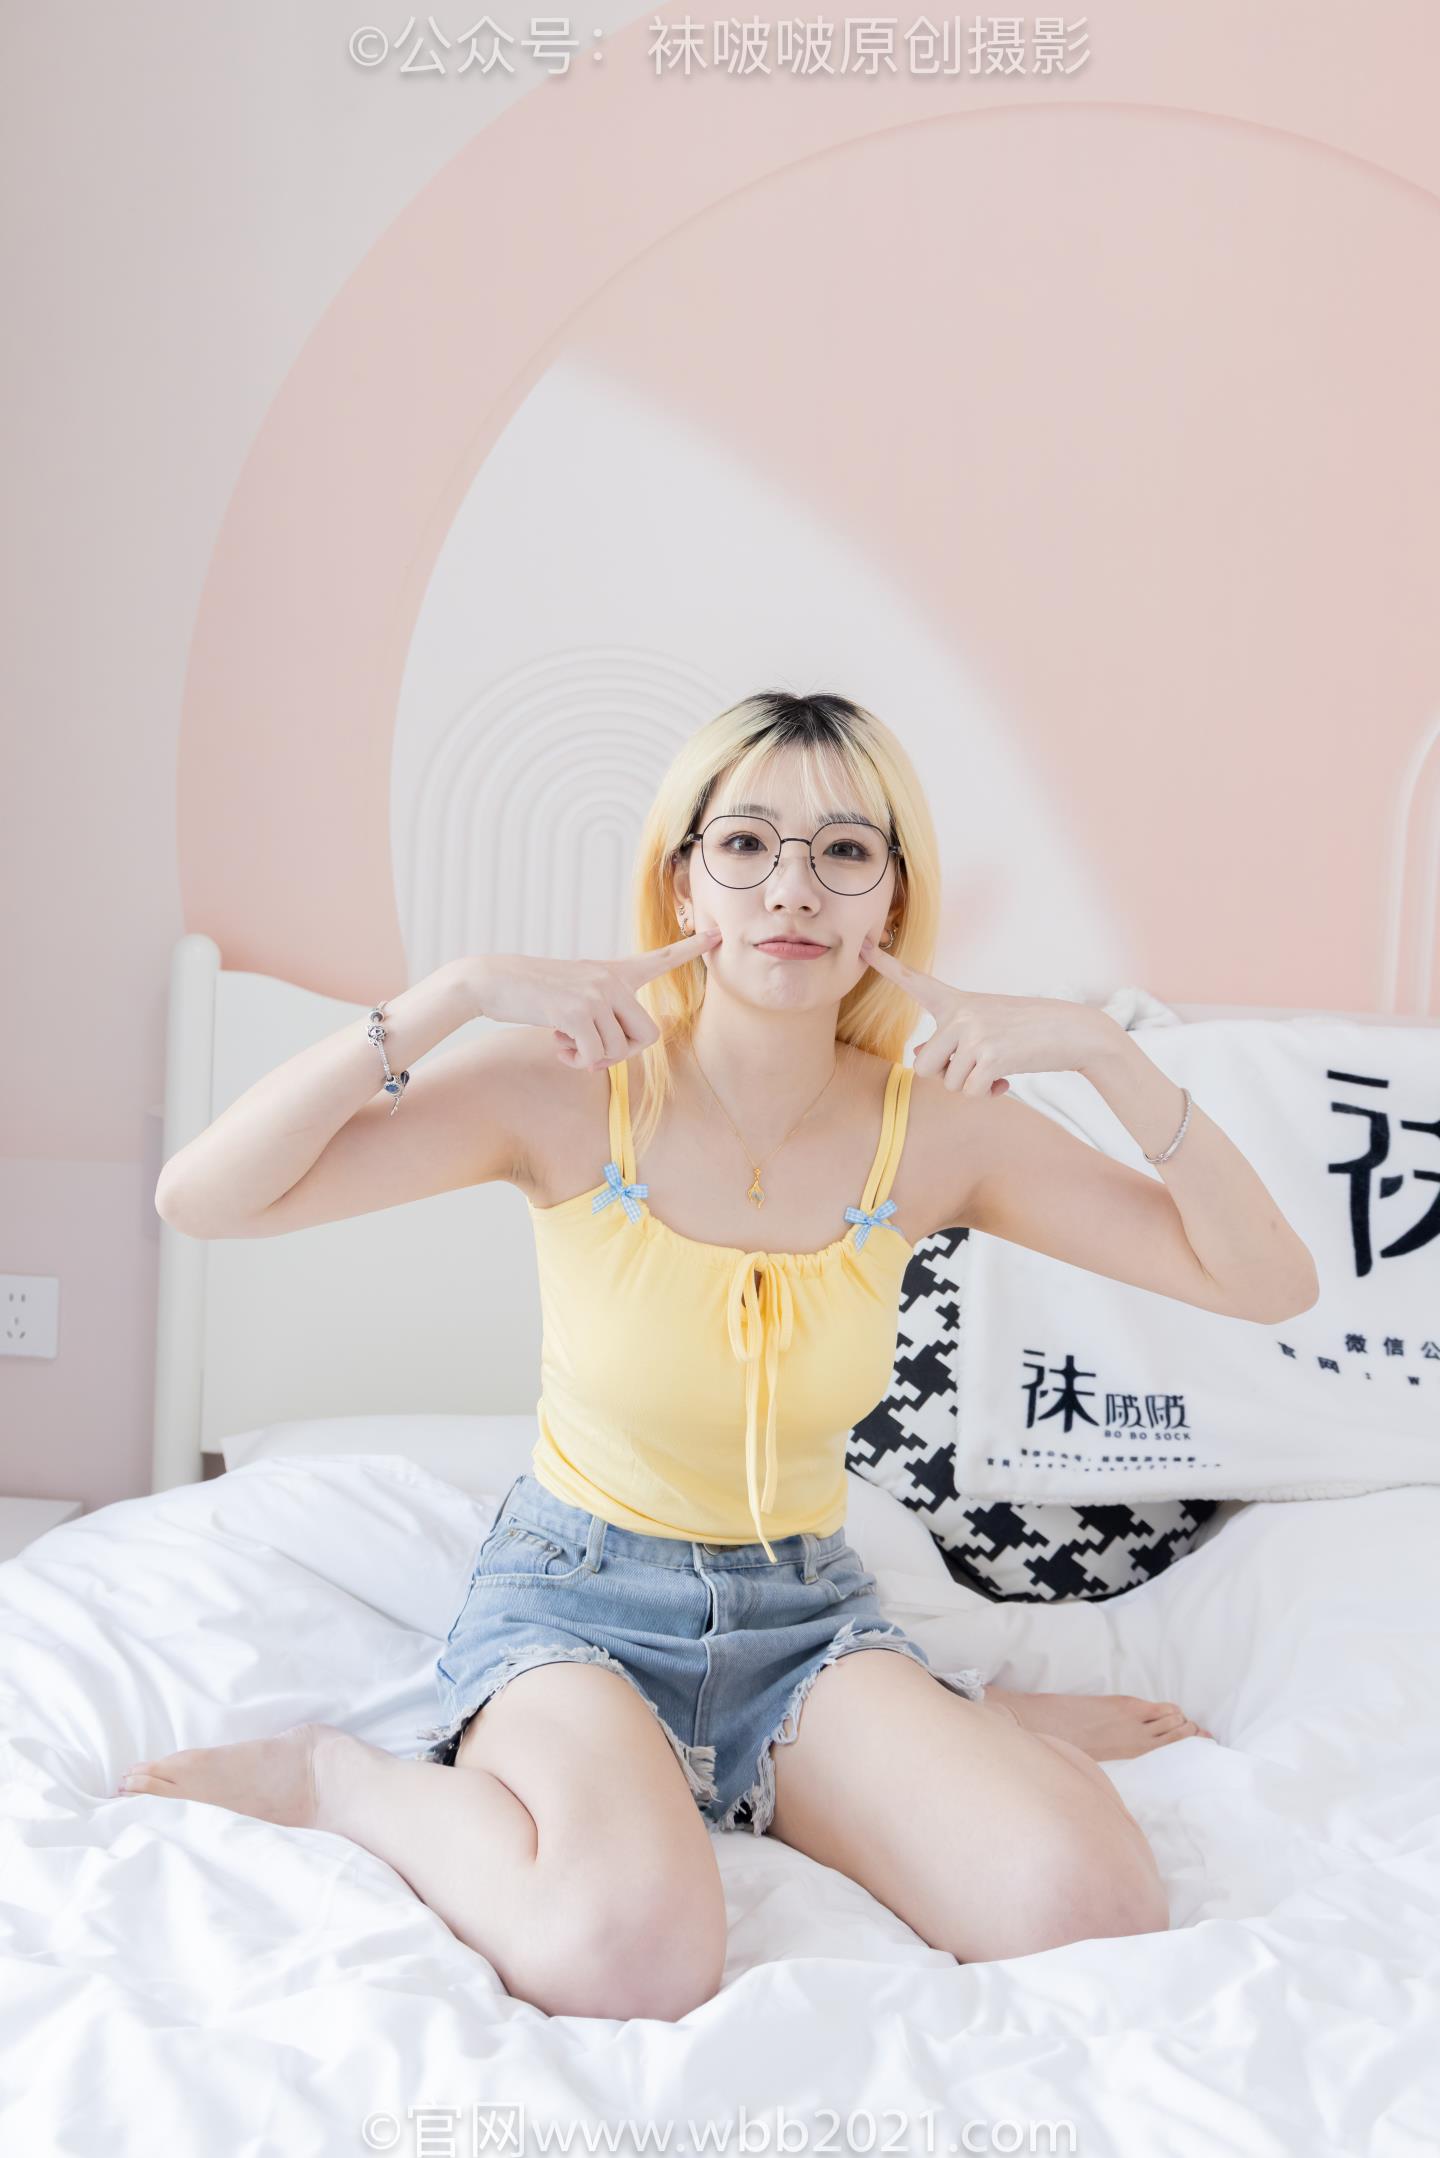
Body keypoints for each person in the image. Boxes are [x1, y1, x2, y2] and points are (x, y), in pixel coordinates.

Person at [125, 689, 1219, 2019]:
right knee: (626, 1957)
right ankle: (337, 1780)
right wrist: (450, 995)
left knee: (1089, 1910)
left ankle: (934, 1723)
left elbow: (1261, 1280)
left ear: (891, 901)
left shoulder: (938, 1131)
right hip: (579, 1601)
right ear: (683, 880)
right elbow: (204, 1197)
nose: (792, 890)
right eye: (746, 844)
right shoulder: (564, 1090)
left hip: (804, 1618)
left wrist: (1104, 1052)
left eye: (844, 851)